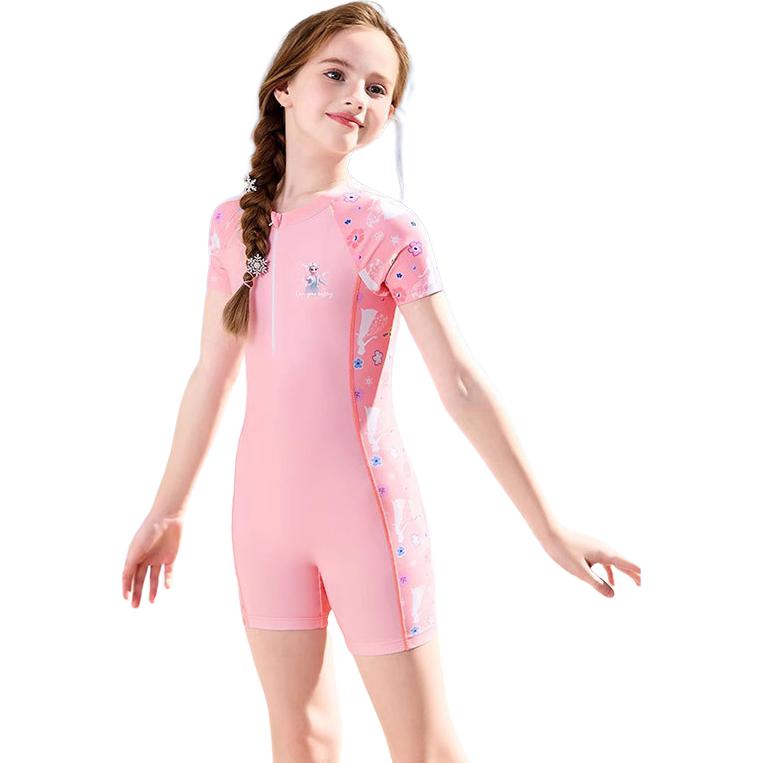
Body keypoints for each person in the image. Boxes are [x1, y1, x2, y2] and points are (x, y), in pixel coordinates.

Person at [121, 3, 641, 761]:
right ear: (283, 87)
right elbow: (211, 373)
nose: (356, 98)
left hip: (367, 517)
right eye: (336, 74)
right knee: (299, 738)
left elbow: (460, 382)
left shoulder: (385, 228)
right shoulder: (232, 226)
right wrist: (167, 509)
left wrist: (548, 527)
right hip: (260, 521)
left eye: (377, 88)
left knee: (423, 747)